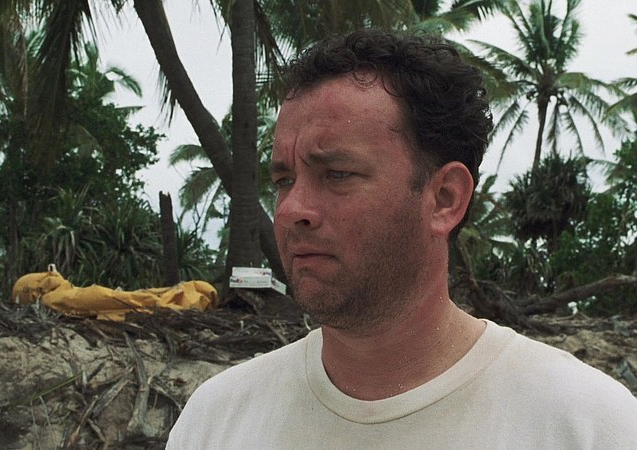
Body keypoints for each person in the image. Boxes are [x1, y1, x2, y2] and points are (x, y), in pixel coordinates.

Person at [166, 28, 637, 449]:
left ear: (445, 199)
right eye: (284, 180)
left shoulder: (590, 427)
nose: (290, 211)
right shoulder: (215, 421)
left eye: (338, 174)